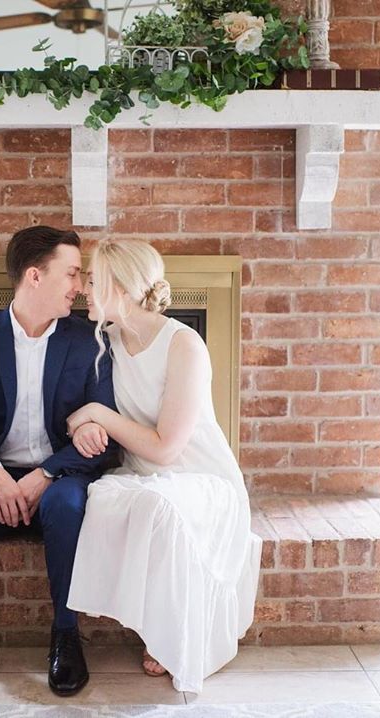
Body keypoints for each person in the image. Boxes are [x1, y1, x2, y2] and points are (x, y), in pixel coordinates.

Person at [65, 238, 262, 694]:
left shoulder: (183, 344)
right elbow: (79, 409)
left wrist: (97, 414)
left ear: (122, 288)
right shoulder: (104, 341)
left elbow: (167, 448)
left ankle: (175, 638)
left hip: (199, 476)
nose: (83, 290)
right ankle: (155, 626)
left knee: (159, 506)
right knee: (106, 499)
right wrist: (85, 424)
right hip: (141, 474)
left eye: (93, 281)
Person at [0, 226, 118, 696]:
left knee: (66, 505)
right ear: (35, 276)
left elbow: (107, 436)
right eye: (71, 273)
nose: (80, 287)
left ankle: (66, 635)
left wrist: (48, 472)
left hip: (61, 473)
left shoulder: (89, 342)